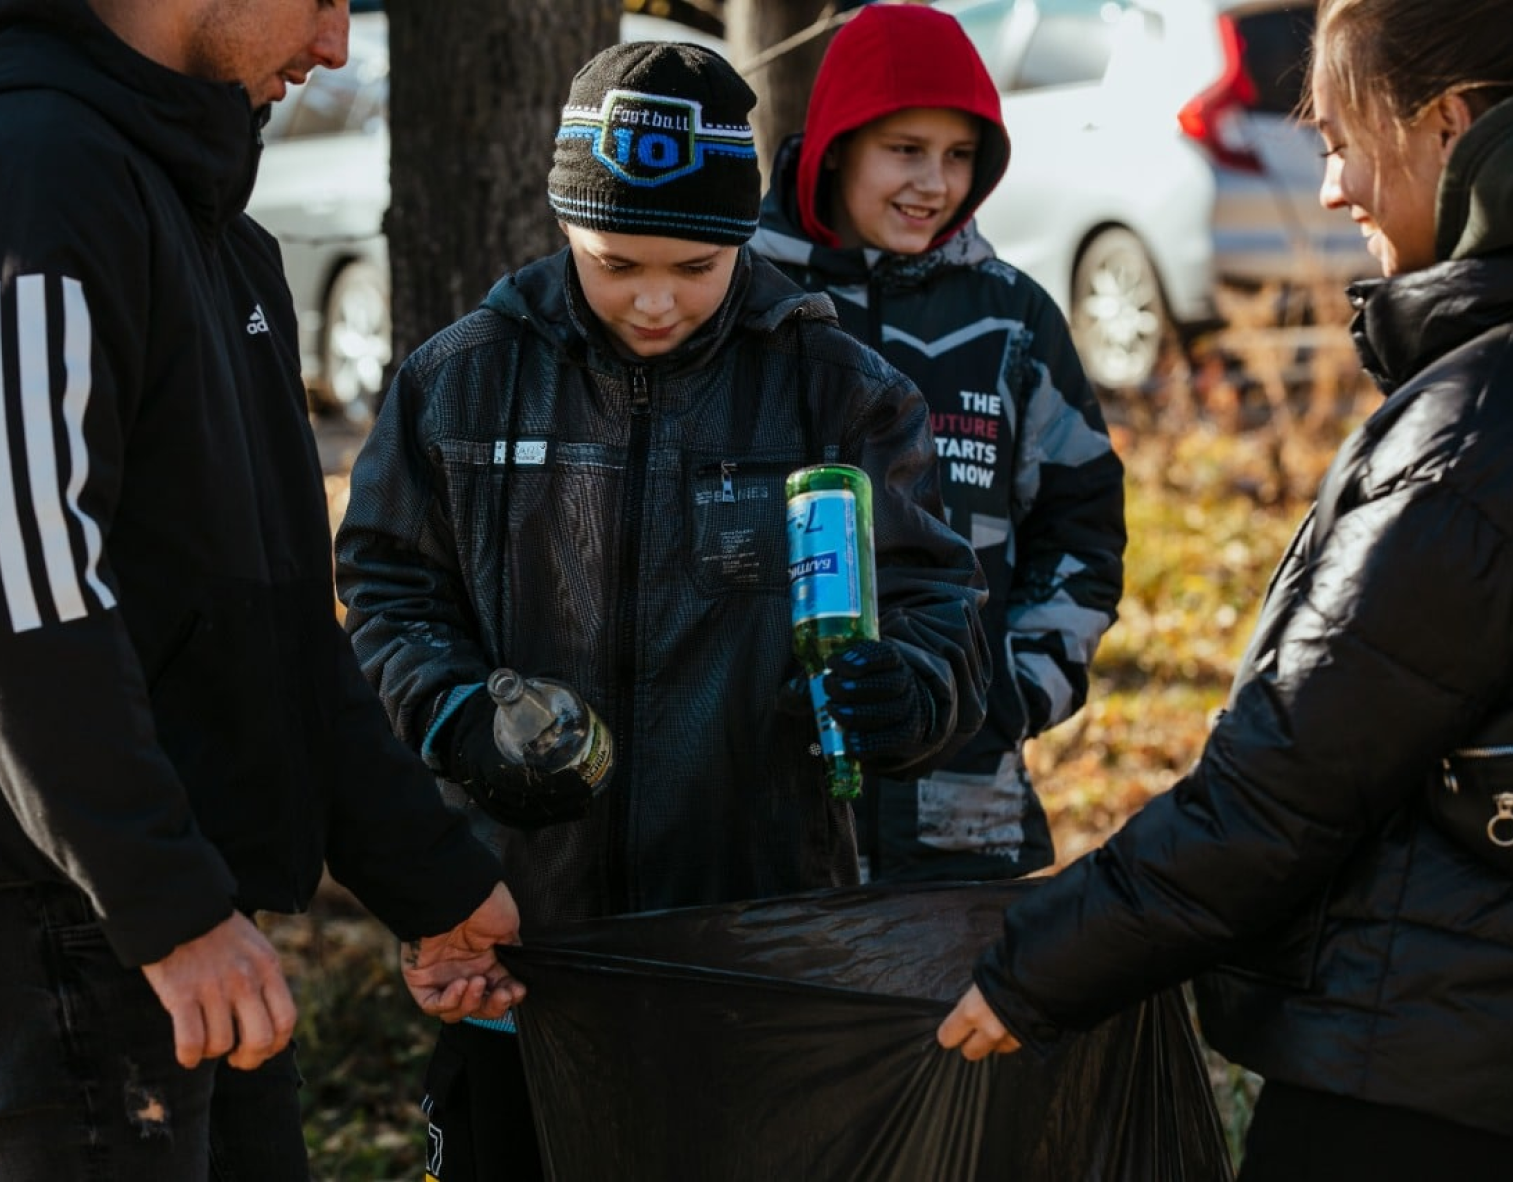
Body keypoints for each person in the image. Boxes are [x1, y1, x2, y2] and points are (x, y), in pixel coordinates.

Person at [0, 1, 525, 1178]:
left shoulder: (209, 226)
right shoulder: (20, 177)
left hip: (174, 898)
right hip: (55, 907)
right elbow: (14, 588)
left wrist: (434, 882)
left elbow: (280, 622)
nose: (340, 45)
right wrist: (166, 905)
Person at [336, 39, 991, 1181]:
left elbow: (938, 603)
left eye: (694, 267)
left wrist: (911, 690)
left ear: (744, 238)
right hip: (522, 934)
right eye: (614, 261)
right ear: (560, 229)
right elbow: (388, 591)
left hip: (759, 932)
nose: (653, 301)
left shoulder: (836, 387)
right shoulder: (458, 380)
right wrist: (452, 717)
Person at [936, 1, 1513, 1177]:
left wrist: (1036, 966)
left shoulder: (1469, 437)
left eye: (1343, 139)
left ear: (1448, 126)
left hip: (1421, 1079)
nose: (1333, 190)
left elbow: (1281, 791)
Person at [750, 2, 1126, 884]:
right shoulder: (742, 301)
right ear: (839, 142)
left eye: (960, 156)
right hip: (769, 802)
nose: (935, 184)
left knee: (956, 1022)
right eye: (905, 150)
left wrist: (1006, 695)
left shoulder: (1011, 318)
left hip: (964, 809)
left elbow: (1082, 530)